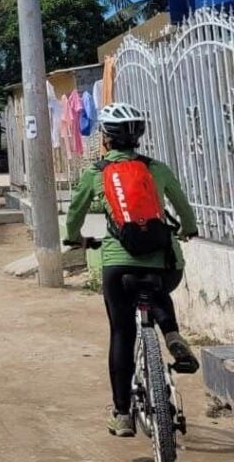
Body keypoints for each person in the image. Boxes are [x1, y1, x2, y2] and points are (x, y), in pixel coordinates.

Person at [65, 103, 200, 438]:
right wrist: (187, 228)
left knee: (122, 333)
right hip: (163, 261)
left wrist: (74, 239)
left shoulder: (94, 173)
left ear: (106, 140)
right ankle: (170, 333)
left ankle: (122, 415)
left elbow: (74, 215)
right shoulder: (157, 168)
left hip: (117, 265)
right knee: (156, 289)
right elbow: (184, 209)